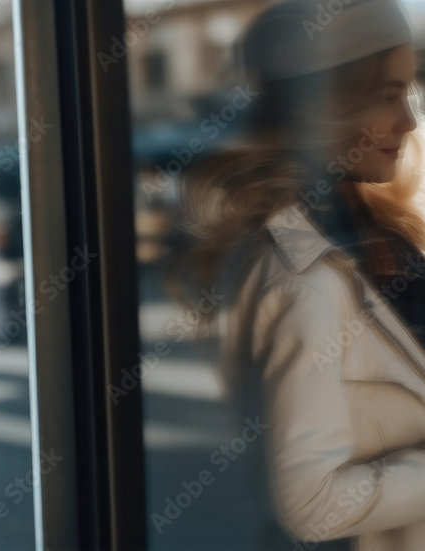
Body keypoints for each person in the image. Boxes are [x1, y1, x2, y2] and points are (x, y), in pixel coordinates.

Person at [163, 0, 425, 549]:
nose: (408, 119)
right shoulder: (304, 278)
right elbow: (311, 504)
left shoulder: (376, 232)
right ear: (327, 104)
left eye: (408, 89)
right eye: (388, 96)